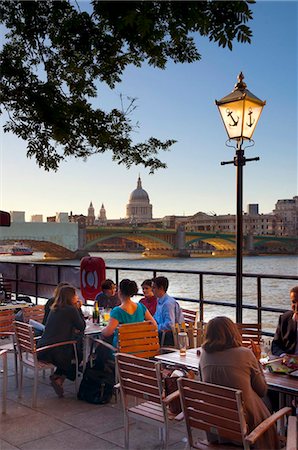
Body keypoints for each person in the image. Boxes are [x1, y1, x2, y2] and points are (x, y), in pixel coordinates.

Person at [199, 316, 279, 450]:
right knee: (268, 400)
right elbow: (262, 390)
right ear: (233, 332)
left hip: (217, 431)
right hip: (247, 430)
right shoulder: (246, 354)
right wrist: (256, 360)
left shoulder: (204, 356)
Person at [37, 285, 86, 397]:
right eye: (75, 295)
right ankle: (60, 378)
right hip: (55, 351)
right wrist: (78, 308)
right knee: (79, 354)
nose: (77, 297)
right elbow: (82, 326)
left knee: (75, 350)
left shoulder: (55, 308)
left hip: (43, 348)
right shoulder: (71, 310)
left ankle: (59, 378)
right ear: (70, 297)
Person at [101, 278, 157, 348]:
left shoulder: (117, 311)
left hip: (122, 352)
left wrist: (102, 331)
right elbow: (154, 325)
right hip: (141, 349)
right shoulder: (141, 307)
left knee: (101, 346)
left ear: (120, 292)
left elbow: (108, 332)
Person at [152, 276, 184, 346]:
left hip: (171, 335)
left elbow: (169, 324)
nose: (152, 290)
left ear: (161, 288)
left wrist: (155, 327)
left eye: (154, 288)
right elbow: (156, 317)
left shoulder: (168, 304)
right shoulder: (159, 300)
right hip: (162, 332)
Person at [271, 286, 298, 356]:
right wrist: (283, 355)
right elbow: (275, 344)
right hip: (288, 362)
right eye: (294, 302)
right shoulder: (284, 318)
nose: (296, 306)